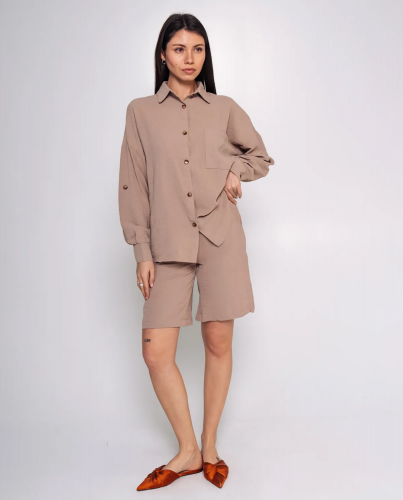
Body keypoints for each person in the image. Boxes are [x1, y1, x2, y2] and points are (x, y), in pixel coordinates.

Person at [118, 12, 275, 491]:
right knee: (155, 352)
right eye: (180, 49)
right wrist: (142, 250)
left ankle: (208, 447)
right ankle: (186, 450)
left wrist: (235, 172)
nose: (190, 58)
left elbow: (260, 156)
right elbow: (133, 182)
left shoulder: (224, 108)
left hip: (221, 238)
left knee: (218, 343)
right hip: (166, 244)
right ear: (163, 55)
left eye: (198, 49)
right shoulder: (140, 112)